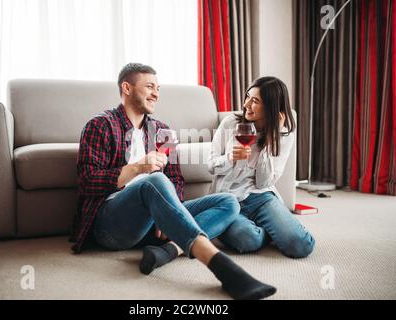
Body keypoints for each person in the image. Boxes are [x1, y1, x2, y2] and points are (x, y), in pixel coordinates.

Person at [69, 63, 277, 300]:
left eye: (158, 88)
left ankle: (166, 252)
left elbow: (176, 179)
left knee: (229, 202)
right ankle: (223, 268)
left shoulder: (162, 131)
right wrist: (137, 168)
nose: (156, 93)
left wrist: (167, 214)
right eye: (149, 86)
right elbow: (87, 182)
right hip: (111, 225)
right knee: (153, 180)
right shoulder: (100, 126)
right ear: (126, 88)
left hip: (152, 225)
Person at [209, 76, 315, 258]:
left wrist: (273, 139)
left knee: (300, 245)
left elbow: (263, 182)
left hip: (261, 197)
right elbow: (211, 166)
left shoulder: (284, 135)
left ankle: (273, 226)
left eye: (255, 101)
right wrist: (229, 158)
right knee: (248, 240)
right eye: (248, 97)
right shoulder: (230, 124)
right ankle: (269, 230)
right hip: (228, 199)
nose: (246, 104)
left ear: (271, 107)